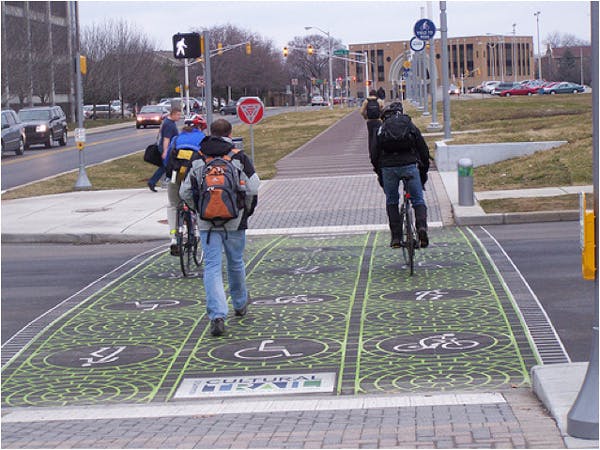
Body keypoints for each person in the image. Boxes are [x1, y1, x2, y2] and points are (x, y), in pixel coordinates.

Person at [179, 118, 260, 337]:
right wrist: (244, 211)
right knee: (235, 262)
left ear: (210, 132)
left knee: (212, 267)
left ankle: (217, 314)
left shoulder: (199, 158)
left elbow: (184, 192)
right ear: (230, 133)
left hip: (207, 222)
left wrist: (200, 210)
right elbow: (253, 187)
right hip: (235, 220)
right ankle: (240, 303)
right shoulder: (238, 157)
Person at [370, 101, 431, 249]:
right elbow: (423, 149)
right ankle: (421, 227)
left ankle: (396, 237)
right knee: (418, 200)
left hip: (388, 167)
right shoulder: (409, 124)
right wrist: (423, 170)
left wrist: (380, 173)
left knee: (392, 200)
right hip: (409, 165)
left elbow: (374, 154)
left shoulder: (381, 128)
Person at [165, 114, 207, 256]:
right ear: (200, 127)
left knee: (172, 205)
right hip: (193, 176)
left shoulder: (176, 139)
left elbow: (167, 160)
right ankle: (195, 231)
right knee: (198, 202)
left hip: (175, 175)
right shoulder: (202, 139)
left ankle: (174, 238)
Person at [147, 106, 181, 192]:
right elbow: (166, 139)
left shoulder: (167, 122)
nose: (179, 117)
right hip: (167, 148)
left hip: (167, 148)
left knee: (165, 167)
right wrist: (165, 151)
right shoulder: (169, 124)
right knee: (167, 167)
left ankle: (153, 181)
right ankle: (167, 182)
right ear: (172, 114)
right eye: (178, 115)